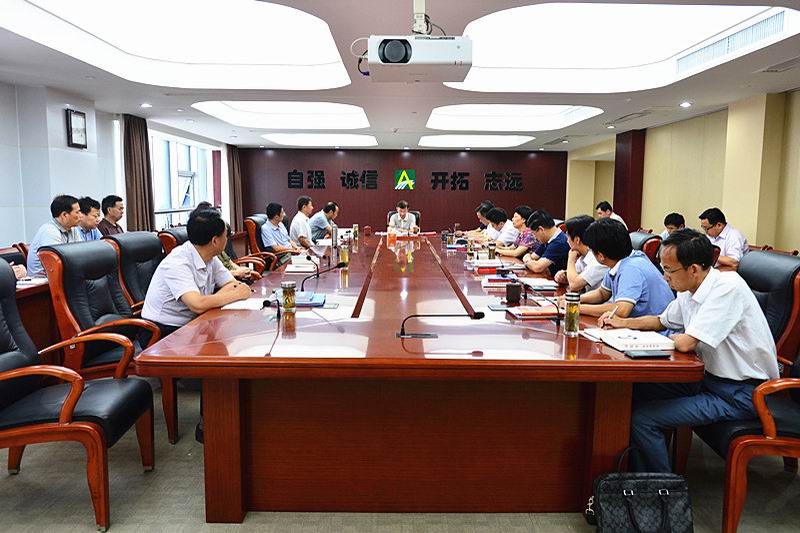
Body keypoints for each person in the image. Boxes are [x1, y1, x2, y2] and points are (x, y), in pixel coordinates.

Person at [599, 229, 779, 472]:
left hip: (740, 394)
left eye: (669, 270)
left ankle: (661, 488)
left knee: (643, 420)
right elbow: (661, 321)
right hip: (706, 381)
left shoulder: (728, 287)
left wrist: (673, 338)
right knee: (630, 391)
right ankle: (623, 469)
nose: (664, 277)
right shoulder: (690, 288)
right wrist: (622, 323)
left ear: (693, 269)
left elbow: (686, 343)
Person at [573, 218, 674, 317]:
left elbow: (621, 310)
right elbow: (602, 293)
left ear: (601, 255)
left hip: (659, 326)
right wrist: (574, 299)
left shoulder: (631, 268)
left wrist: (576, 308)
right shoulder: (623, 260)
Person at [26, 195, 82, 277]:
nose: (81, 215)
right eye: (77, 212)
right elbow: (56, 262)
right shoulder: (49, 231)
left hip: (62, 276)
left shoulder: (73, 229)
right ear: (64, 215)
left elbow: (81, 253)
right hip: (43, 280)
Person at [554, 214, 609, 292]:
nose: (567, 241)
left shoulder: (598, 259)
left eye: (568, 237)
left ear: (577, 240)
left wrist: (571, 259)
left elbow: (574, 285)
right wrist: (563, 276)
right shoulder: (583, 256)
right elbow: (573, 277)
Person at [521, 209, 569, 276]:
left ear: (541, 229)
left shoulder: (559, 242)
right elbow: (532, 256)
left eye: (534, 234)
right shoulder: (547, 240)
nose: (535, 238)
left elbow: (538, 267)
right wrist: (529, 260)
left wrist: (527, 261)